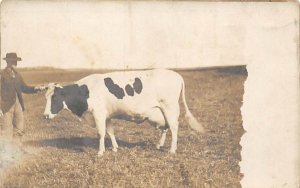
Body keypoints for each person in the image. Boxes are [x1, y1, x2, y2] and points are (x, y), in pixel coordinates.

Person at [0, 52, 46, 145]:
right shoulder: (2, 75)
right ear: (7, 62)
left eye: (16, 62)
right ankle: (4, 154)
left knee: (19, 129)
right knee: (5, 130)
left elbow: (24, 88)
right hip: (6, 106)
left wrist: (36, 88)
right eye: (13, 62)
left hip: (18, 105)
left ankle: (16, 150)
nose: (15, 64)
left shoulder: (17, 75)